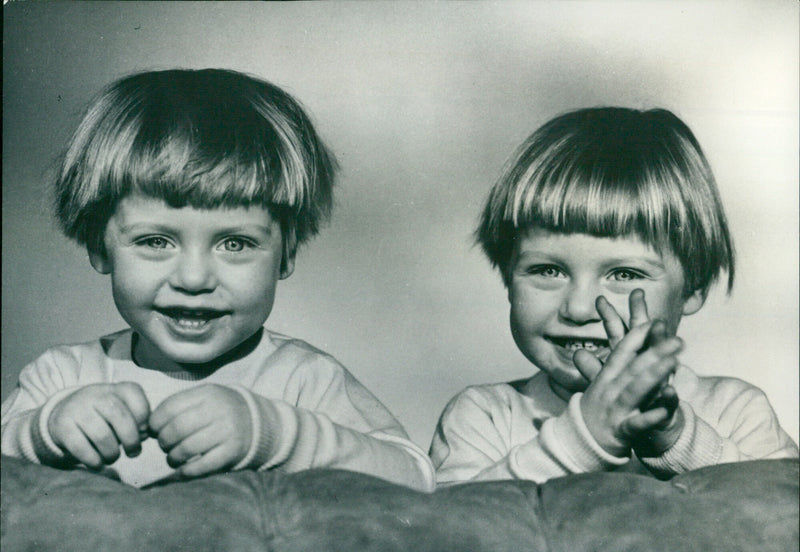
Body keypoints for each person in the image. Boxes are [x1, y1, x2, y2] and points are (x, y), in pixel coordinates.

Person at [1, 68, 434, 491]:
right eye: (155, 241)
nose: (194, 279)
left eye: (235, 244)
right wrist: (43, 434)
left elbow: (417, 478)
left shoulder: (305, 381)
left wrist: (277, 436)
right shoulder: (63, 378)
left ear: (286, 255)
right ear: (99, 247)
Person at [430, 107, 798, 484]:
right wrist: (585, 439)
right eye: (547, 270)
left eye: (624, 274)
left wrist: (676, 439)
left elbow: (781, 508)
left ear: (694, 287)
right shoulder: (486, 417)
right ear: (508, 276)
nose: (578, 309)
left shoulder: (734, 411)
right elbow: (458, 521)